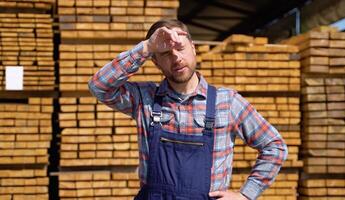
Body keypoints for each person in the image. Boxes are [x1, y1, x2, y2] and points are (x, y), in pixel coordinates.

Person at [88, 19, 288, 200]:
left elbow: (275, 147)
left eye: (181, 48)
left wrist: (246, 194)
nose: (176, 58)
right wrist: (147, 47)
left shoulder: (227, 103)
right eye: (165, 53)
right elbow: (99, 86)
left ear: (193, 48)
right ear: (156, 62)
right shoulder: (144, 99)